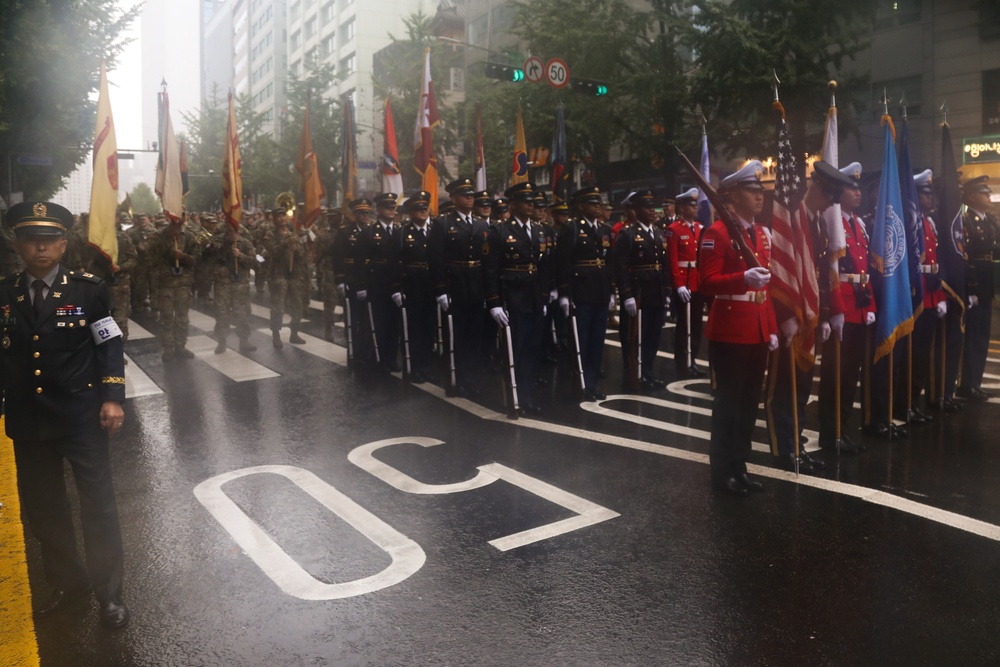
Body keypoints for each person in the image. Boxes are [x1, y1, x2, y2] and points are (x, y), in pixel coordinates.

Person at [0, 201, 130, 628]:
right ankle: (67, 582)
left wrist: (112, 397)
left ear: (62, 243)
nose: (41, 248)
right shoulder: (6, 292)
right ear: (17, 243)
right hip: (29, 419)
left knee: (98, 505)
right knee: (44, 508)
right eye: (31, 239)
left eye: (49, 239)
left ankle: (109, 594)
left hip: (80, 416)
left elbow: (108, 343)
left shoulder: (88, 290)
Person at [766, 160, 854, 473]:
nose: (828, 204)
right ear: (813, 187)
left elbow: (820, 275)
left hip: (811, 315)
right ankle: (783, 449)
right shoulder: (790, 220)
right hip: (790, 315)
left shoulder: (817, 223)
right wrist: (786, 314)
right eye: (826, 196)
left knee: (803, 384)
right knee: (784, 384)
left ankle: (795, 441)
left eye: (833, 200)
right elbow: (779, 271)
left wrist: (828, 315)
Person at [699, 162, 778, 496]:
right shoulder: (717, 233)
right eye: (751, 191)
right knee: (728, 406)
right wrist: (740, 278)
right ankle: (722, 472)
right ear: (733, 195)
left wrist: (771, 327)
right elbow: (706, 283)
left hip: (757, 329)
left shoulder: (760, 234)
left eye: (760, 191)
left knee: (748, 405)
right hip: (730, 331)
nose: (758, 196)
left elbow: (766, 288)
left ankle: (740, 466)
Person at [817, 163, 875, 454]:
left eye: (859, 187)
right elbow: (831, 269)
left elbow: (863, 268)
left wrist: (871, 305)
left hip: (860, 305)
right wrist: (834, 309)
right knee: (835, 374)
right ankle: (830, 433)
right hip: (842, 305)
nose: (857, 192)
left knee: (851, 373)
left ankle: (843, 428)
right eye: (852, 188)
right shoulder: (833, 221)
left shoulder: (858, 223)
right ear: (840, 190)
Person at [485, 182, 549, 415]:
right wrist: (493, 302)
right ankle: (513, 396)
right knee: (516, 349)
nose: (531, 204)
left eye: (532, 200)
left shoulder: (540, 230)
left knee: (533, 348)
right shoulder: (500, 232)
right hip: (513, 297)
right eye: (525, 200)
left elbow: (543, 267)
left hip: (533, 296)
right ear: (512, 204)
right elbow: (491, 270)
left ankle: (528, 395)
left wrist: (543, 296)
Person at [428, 178, 490, 397]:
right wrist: (441, 290)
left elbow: (486, 260)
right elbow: (436, 259)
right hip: (454, 284)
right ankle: (454, 379)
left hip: (475, 285)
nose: (470, 198)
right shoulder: (443, 224)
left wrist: (488, 291)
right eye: (465, 194)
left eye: (472, 194)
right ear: (453, 198)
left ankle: (469, 377)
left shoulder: (481, 224)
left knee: (474, 335)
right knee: (455, 336)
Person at [555, 186, 615, 401]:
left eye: (599, 203)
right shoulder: (571, 229)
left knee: (597, 339)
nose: (598, 207)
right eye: (593, 203)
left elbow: (609, 262)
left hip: (599, 290)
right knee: (581, 339)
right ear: (581, 207)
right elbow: (562, 262)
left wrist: (612, 292)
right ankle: (579, 381)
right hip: (580, 291)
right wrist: (563, 293)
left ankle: (592, 382)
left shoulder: (605, 229)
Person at [612, 189, 672, 391]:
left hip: (656, 292)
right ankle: (632, 374)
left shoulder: (658, 233)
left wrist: (667, 290)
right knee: (634, 336)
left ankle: (647, 372)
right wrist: (626, 295)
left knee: (653, 335)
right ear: (637, 210)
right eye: (647, 207)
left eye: (652, 207)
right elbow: (620, 267)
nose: (652, 211)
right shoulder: (627, 234)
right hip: (638, 292)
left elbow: (665, 264)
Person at [906, 169, 945, 419]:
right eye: (925, 194)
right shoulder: (912, 223)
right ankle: (906, 403)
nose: (930, 198)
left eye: (931, 194)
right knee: (912, 353)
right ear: (915, 195)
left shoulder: (929, 222)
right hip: (916, 293)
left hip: (930, 293)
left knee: (923, 354)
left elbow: (935, 260)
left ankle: (915, 401)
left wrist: (940, 296)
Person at [957, 176, 997, 401]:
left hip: (986, 286)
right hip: (975, 286)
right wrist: (971, 288)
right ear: (972, 197)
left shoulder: (989, 221)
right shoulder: (967, 221)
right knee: (972, 336)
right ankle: (967, 384)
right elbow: (967, 258)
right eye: (984, 192)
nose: (988, 195)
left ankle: (976, 382)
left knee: (982, 336)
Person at [393, 192, 436, 383]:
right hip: (412, 285)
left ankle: (426, 365)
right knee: (413, 328)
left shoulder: (436, 230)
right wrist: (396, 288)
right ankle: (414, 367)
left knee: (429, 327)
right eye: (419, 208)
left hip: (431, 284)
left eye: (425, 208)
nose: (423, 211)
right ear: (410, 212)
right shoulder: (402, 233)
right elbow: (394, 262)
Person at [148, 211, 202, 360]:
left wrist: (183, 257)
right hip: (165, 283)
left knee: (182, 318)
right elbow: (150, 256)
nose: (178, 220)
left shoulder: (189, 237)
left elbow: (196, 259)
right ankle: (168, 347)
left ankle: (181, 346)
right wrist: (168, 242)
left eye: (182, 216)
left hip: (183, 284)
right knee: (166, 317)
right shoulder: (159, 235)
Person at [666, 187, 706, 379]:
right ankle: (682, 360)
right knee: (684, 325)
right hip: (684, 281)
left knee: (696, 323)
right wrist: (678, 284)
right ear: (682, 208)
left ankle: (693, 358)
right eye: (691, 205)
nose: (695, 207)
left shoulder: (699, 228)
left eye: (695, 204)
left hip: (697, 281)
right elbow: (672, 260)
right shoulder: (674, 229)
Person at [333, 199, 374, 367]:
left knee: (368, 319)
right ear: (355, 214)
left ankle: (368, 351)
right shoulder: (345, 232)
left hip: (369, 279)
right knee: (353, 318)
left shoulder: (373, 230)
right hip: (351, 278)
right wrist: (340, 280)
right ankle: (354, 352)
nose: (365, 216)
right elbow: (338, 257)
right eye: (361, 213)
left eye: (367, 213)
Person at [363, 193, 402, 373]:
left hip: (396, 284)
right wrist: (362, 285)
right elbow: (362, 262)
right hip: (378, 284)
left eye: (393, 207)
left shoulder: (400, 231)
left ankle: (391, 358)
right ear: (378, 210)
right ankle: (378, 357)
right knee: (380, 323)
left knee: (395, 323)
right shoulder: (370, 232)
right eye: (387, 207)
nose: (391, 210)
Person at [263, 206, 308, 348]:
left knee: (297, 305)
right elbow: (272, 252)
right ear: (274, 219)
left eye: (284, 216)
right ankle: (276, 334)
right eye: (279, 216)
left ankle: (294, 333)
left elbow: (302, 256)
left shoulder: (293, 234)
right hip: (278, 274)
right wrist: (285, 244)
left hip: (294, 274)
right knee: (278, 307)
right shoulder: (270, 235)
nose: (282, 218)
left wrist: (297, 248)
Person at [212, 220, 257, 353]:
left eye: (233, 227)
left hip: (240, 283)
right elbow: (212, 254)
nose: (231, 229)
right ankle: (222, 341)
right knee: (222, 313)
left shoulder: (245, 242)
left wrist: (240, 255)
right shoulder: (218, 241)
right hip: (223, 282)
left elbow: (253, 261)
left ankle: (244, 341)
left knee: (241, 313)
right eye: (228, 226)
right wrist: (227, 244)